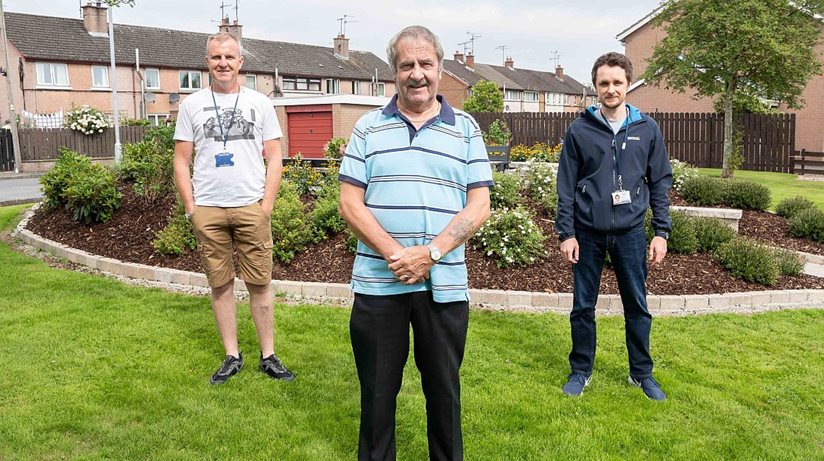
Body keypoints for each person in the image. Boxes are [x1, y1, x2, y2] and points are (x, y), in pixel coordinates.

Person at [338, 25, 492, 461]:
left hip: (442, 288)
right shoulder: (368, 128)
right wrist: (396, 254)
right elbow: (350, 203)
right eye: (407, 65)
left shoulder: (465, 129)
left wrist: (431, 254)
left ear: (440, 69)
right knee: (376, 400)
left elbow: (479, 204)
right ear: (394, 72)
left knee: (444, 397)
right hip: (378, 285)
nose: (417, 73)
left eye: (426, 64)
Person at [173, 32, 294, 385]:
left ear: (240, 62)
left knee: (260, 283)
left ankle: (268, 356)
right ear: (207, 63)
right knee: (220, 284)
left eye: (229, 57)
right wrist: (191, 208)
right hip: (208, 209)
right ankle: (231, 355)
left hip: (250, 206)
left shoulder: (260, 103)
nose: (222, 63)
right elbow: (181, 161)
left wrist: (266, 206)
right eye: (215, 58)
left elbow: (275, 158)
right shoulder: (191, 105)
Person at [555, 52, 672, 401]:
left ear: (627, 85)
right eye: (604, 83)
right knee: (582, 306)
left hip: (632, 233)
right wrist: (567, 233)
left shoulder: (646, 129)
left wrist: (661, 232)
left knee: (637, 305)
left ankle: (642, 374)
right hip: (587, 233)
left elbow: (660, 182)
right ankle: (580, 370)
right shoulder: (579, 130)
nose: (610, 89)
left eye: (617, 82)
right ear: (595, 86)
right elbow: (566, 185)